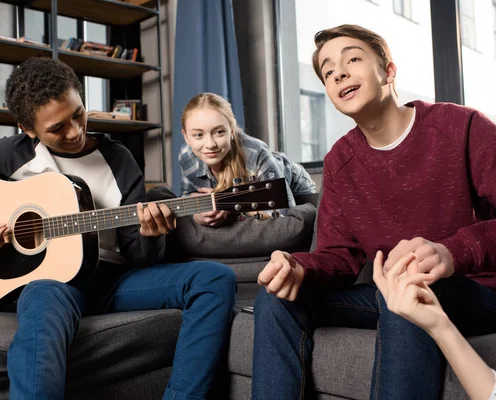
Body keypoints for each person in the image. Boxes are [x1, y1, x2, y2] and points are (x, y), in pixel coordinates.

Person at [0, 57, 237, 400]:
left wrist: (153, 235)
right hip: (54, 285)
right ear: (28, 128)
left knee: (214, 279)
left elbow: (139, 255)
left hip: (112, 280)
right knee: (44, 293)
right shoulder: (12, 154)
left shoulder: (119, 159)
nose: (75, 131)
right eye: (57, 128)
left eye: (78, 114)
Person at [251, 24, 496, 399]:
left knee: (404, 282)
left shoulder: (461, 126)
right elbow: (341, 258)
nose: (339, 73)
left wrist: (452, 251)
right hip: (391, 291)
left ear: (388, 71)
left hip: (478, 292)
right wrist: (299, 267)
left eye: (351, 59)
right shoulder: (340, 161)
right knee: (276, 296)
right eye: (328, 71)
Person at [178, 92, 316, 227]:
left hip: (294, 187)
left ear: (232, 131)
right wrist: (196, 213)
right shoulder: (187, 157)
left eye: (219, 132)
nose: (210, 144)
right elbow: (187, 195)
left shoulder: (256, 154)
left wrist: (229, 203)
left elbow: (283, 216)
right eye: (198, 135)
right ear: (186, 137)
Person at [373, 251, 496, 400]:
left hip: (480, 291)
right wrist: (440, 327)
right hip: (395, 283)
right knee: (405, 288)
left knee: (409, 287)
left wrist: (449, 252)